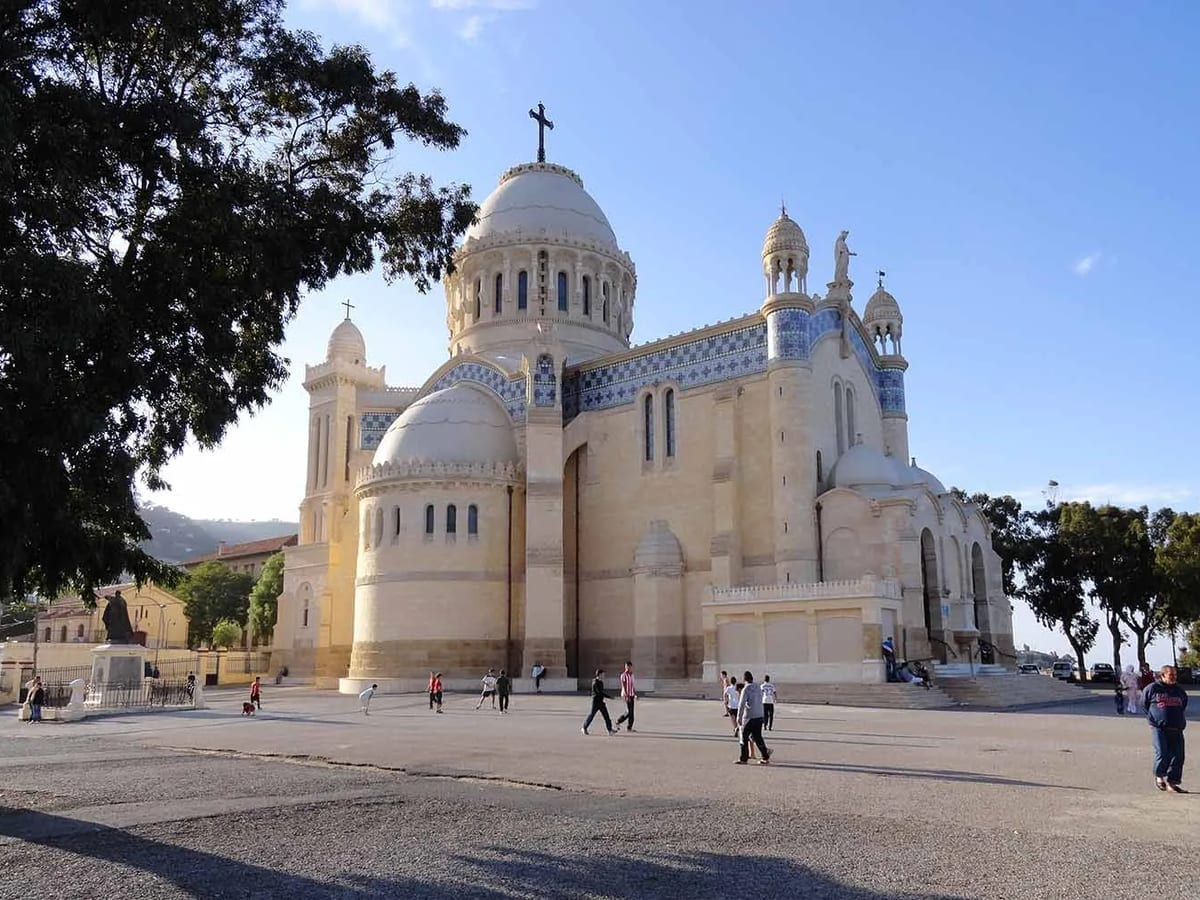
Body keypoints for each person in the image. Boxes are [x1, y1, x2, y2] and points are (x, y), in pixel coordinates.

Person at [1142, 665, 1187, 793]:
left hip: (1177, 728)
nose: (1173, 677)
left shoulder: (1179, 691)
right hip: (1159, 727)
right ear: (1162, 675)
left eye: (1175, 675)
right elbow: (1144, 704)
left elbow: (1183, 705)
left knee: (1178, 756)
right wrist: (1153, 718)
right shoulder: (1153, 688)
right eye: (1170, 675)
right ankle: (1159, 776)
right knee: (1162, 753)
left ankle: (1172, 783)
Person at [735, 671, 771, 765]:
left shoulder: (746, 689)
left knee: (744, 737)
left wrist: (739, 717)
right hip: (759, 715)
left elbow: (742, 704)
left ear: (744, 679)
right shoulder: (758, 687)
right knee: (758, 737)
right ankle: (765, 756)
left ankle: (744, 758)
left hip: (749, 717)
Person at [581, 668, 615, 735]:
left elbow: (601, 692)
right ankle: (584, 728)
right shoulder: (595, 682)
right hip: (596, 702)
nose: (604, 676)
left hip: (601, 702)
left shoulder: (601, 682)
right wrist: (609, 697)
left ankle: (610, 730)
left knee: (606, 716)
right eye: (603, 675)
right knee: (591, 715)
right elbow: (599, 692)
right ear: (599, 675)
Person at [614, 661, 637, 732]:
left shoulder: (632, 675)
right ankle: (618, 721)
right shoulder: (623, 675)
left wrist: (634, 694)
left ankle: (629, 727)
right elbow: (624, 686)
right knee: (629, 712)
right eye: (627, 666)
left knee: (631, 712)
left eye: (629, 667)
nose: (628, 668)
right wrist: (627, 696)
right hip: (626, 695)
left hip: (631, 694)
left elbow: (633, 685)